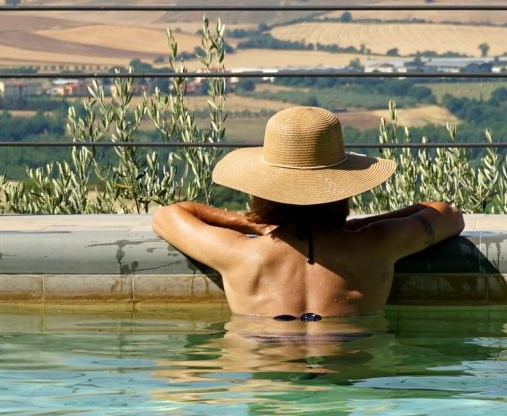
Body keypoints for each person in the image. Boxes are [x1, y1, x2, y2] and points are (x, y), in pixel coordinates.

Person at [151, 105, 464, 325]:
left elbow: (169, 215)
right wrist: (362, 225)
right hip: (348, 374)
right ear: (343, 186)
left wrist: (245, 223)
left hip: (269, 378)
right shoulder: (378, 243)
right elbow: (448, 214)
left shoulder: (240, 253)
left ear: (262, 191)